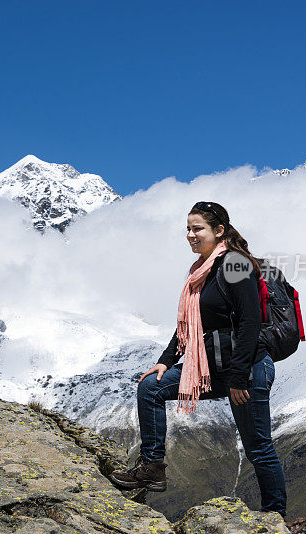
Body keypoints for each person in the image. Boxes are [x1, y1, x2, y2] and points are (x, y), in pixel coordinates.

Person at [108, 201, 287, 517]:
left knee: (259, 448)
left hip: (247, 370)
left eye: (197, 228)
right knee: (151, 387)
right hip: (211, 369)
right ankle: (152, 468)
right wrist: (166, 360)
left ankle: (275, 517)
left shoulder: (235, 265)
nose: (190, 235)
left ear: (219, 231)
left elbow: (249, 323)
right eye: (187, 229)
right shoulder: (200, 271)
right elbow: (190, 324)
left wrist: (237, 377)